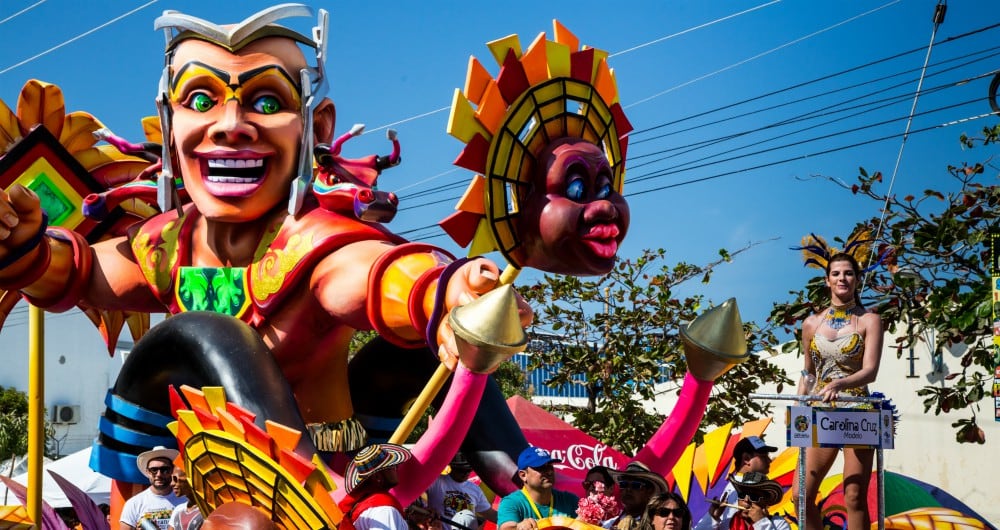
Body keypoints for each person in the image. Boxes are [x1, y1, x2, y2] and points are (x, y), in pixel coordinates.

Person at [794, 252, 883, 530]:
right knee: (800, 495)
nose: (842, 278)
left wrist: (840, 384)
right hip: (821, 413)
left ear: (857, 279)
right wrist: (799, 411)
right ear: (827, 280)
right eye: (836, 273)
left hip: (857, 412)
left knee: (854, 495)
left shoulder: (870, 320)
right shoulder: (811, 324)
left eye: (848, 273)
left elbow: (870, 371)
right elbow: (808, 371)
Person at [693, 436, 777, 530]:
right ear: (746, 459)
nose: (769, 460)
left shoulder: (735, 485)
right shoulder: (741, 488)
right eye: (763, 456)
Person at [497, 447, 578, 530]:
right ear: (523, 475)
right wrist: (519, 527)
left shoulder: (569, 500)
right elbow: (506, 528)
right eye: (541, 467)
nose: (549, 472)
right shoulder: (511, 502)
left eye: (550, 467)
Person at [338, 443, 412, 530]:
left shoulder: (364, 503)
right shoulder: (384, 509)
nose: (396, 468)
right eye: (391, 466)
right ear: (377, 477)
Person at [426, 452, 496, 530]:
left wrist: (508, 520)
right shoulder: (436, 482)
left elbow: (489, 513)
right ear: (452, 467)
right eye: (461, 470)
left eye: (469, 470)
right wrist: (426, 508)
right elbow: (417, 496)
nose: (466, 473)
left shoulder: (475, 489)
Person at [120, 446, 182, 530]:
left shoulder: (186, 501)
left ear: (172, 471)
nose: (159, 474)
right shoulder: (134, 503)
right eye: (154, 470)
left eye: (164, 469)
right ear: (148, 472)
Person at [606, 462, 669, 530]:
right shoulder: (608, 524)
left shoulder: (659, 526)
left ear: (649, 491)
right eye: (623, 484)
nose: (628, 489)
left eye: (636, 485)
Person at [726, 473, 790, 530]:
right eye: (742, 495)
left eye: (753, 496)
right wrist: (715, 518)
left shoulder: (779, 524)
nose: (746, 500)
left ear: (765, 501)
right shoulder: (728, 523)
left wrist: (761, 522)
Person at [167, 465, 203, 530]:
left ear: (191, 480)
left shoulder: (208, 511)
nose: (172, 483)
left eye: (175, 479)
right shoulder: (178, 509)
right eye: (171, 479)